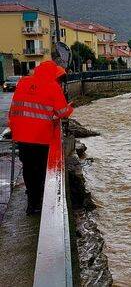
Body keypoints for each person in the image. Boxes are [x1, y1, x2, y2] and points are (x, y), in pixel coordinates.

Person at [8, 60, 73, 215]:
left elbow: (17, 108)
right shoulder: (53, 87)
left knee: (29, 169)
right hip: (40, 136)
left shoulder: (23, 82)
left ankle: (31, 205)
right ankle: (38, 204)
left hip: (21, 135)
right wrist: (70, 107)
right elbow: (62, 112)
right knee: (39, 170)